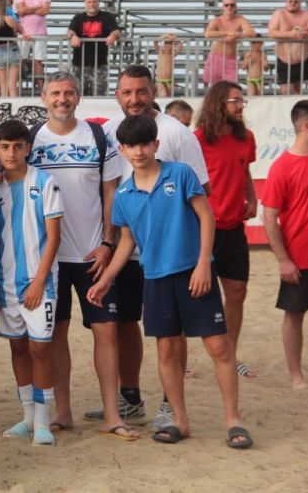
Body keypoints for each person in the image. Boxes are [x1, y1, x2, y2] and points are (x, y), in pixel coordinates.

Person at [87, 114, 253, 449]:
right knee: (166, 349)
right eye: (131, 145)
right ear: (121, 149)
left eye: (144, 143)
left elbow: (206, 216)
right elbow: (128, 241)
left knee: (219, 347)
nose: (138, 151)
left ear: (156, 144)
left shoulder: (180, 174)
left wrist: (204, 264)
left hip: (193, 274)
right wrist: (106, 278)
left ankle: (234, 421)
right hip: (156, 280)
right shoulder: (124, 194)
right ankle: (180, 420)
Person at [92, 64, 209, 431]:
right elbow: (108, 191)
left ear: (153, 90)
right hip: (127, 247)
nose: (134, 99)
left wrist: (197, 256)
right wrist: (109, 241)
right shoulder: (110, 132)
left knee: (172, 334)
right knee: (127, 322)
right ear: (117, 94)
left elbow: (201, 193)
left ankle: (169, 405)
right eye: (127, 92)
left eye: (141, 91)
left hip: (173, 254)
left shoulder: (177, 133)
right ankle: (130, 399)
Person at [29, 71, 138, 440]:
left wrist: (108, 242)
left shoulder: (98, 136)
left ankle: (111, 414)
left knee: (106, 332)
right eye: (56, 93)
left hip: (94, 255)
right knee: (56, 334)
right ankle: (63, 411)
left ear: (78, 97)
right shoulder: (32, 141)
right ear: (44, 98)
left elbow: (112, 194)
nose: (62, 99)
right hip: (51, 259)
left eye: (69, 93)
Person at [0, 118, 62, 445]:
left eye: (18, 146)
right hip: (6, 283)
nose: (12, 152)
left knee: (39, 349)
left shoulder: (45, 181)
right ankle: (27, 417)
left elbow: (54, 237)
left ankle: (44, 421)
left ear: (27, 148)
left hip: (38, 282)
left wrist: (38, 281)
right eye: (5, 147)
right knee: (17, 348)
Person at [195, 81, 257, 379]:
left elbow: (244, 169)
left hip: (234, 228)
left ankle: (230, 355)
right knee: (192, 293)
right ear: (219, 103)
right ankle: (181, 359)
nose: (240, 105)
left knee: (237, 291)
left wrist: (253, 197)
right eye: (235, 100)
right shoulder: (197, 140)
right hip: (202, 229)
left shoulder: (246, 138)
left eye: (241, 100)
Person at [262, 99, 308, 389]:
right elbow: (270, 218)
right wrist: (283, 260)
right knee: (294, 315)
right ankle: (296, 375)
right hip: (300, 257)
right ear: (307, 126)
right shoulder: (282, 167)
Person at [67, 0, 120, 96]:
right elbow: (69, 31)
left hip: (99, 64)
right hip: (79, 64)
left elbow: (117, 31)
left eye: (94, 2)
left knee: (99, 94)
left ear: (98, 3)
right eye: (89, 2)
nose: (92, 4)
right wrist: (73, 36)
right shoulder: (78, 18)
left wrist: (113, 36)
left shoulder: (107, 17)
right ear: (85, 4)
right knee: (78, 94)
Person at [268, 0, 308, 95]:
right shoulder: (279, 14)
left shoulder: (306, 15)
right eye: (290, 1)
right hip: (284, 59)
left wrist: (305, 34)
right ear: (286, 3)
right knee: (286, 90)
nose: (293, 3)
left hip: (303, 59)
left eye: (296, 1)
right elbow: (271, 33)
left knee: (297, 90)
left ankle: (297, 109)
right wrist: (291, 34)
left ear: (300, 3)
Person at [203, 0, 254, 88]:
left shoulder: (240, 19)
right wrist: (227, 33)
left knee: (230, 89)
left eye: (232, 5)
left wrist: (237, 35)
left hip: (231, 59)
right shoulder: (217, 20)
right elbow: (208, 34)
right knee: (216, 90)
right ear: (223, 7)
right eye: (226, 5)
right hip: (216, 59)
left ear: (236, 7)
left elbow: (251, 33)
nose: (229, 7)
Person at [15, 0, 49, 92]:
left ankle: (42, 90)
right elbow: (20, 10)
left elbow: (45, 10)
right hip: (24, 32)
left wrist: (27, 10)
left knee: (39, 61)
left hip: (40, 32)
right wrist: (38, 7)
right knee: (20, 60)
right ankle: (17, 89)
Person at [154, 34, 183, 98]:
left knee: (168, 98)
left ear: (173, 45)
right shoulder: (160, 52)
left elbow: (181, 46)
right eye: (166, 43)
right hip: (160, 80)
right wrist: (163, 36)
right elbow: (155, 42)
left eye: (170, 43)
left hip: (169, 80)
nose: (167, 45)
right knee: (164, 95)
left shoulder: (172, 54)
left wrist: (174, 38)